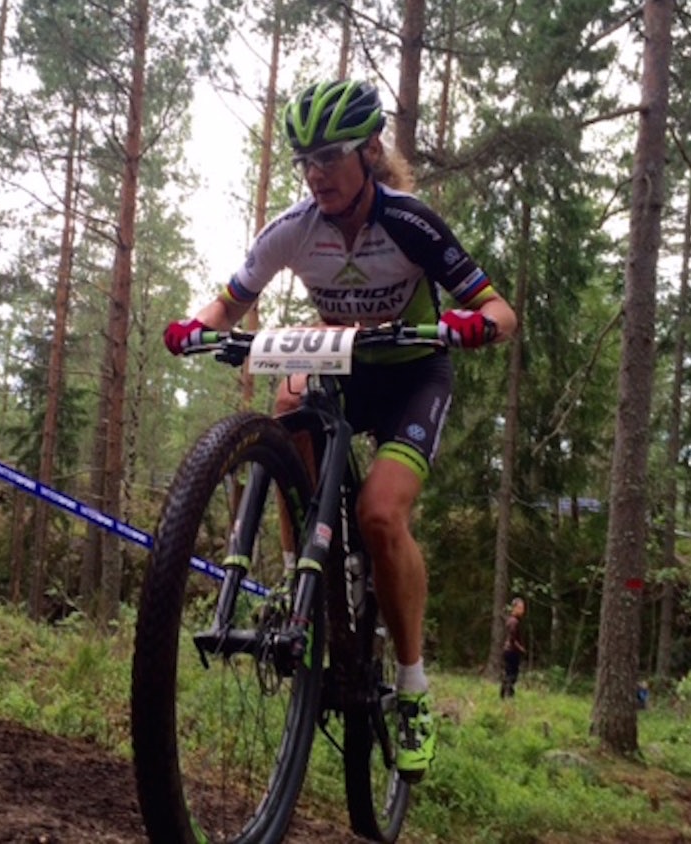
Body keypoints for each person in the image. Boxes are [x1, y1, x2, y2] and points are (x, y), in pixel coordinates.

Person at [163, 79, 517, 782]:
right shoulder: (293, 228)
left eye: (330, 156)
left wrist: (469, 324)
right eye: (306, 161)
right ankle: (312, 597)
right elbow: (230, 302)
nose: (316, 173)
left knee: (381, 517)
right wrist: (191, 329)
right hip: (345, 368)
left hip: (414, 377)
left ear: (371, 151)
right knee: (288, 403)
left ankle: (413, 685)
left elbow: (500, 311)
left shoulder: (411, 222)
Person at [500, 597, 527, 699]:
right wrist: (521, 649)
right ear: (514, 608)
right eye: (520, 608)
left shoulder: (513, 621)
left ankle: (505, 694)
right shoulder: (513, 622)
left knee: (510, 673)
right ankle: (508, 695)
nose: (523, 610)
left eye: (523, 608)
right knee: (512, 674)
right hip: (511, 651)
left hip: (510, 650)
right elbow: (512, 639)